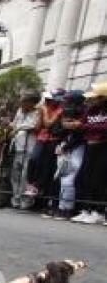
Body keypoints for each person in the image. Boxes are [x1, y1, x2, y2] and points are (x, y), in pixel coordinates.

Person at [25, 89, 65, 215]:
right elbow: (39, 127)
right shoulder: (44, 108)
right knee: (33, 160)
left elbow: (48, 124)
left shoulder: (60, 110)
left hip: (53, 141)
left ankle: (42, 201)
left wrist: (43, 112)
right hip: (42, 139)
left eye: (50, 99)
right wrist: (39, 115)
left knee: (47, 169)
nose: (47, 101)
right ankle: (32, 185)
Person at [72, 82, 107, 224]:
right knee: (84, 178)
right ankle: (86, 209)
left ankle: (98, 211)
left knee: (100, 180)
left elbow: (104, 127)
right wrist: (79, 125)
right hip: (90, 146)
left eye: (96, 97)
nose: (93, 100)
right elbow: (83, 123)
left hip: (104, 147)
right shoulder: (91, 110)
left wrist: (84, 126)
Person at [54, 91, 87, 221]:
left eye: (68, 101)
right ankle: (62, 207)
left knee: (70, 178)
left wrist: (74, 126)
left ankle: (68, 208)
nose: (65, 103)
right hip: (64, 146)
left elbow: (81, 135)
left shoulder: (83, 113)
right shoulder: (64, 112)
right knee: (63, 177)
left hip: (77, 148)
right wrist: (66, 126)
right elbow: (56, 130)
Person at [10, 90, 41, 209]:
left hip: (30, 146)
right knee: (15, 174)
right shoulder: (19, 111)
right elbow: (14, 124)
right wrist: (11, 126)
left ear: (32, 102)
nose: (21, 104)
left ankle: (25, 199)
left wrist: (19, 128)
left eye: (24, 101)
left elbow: (34, 126)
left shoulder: (37, 112)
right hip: (18, 145)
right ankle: (15, 197)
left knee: (25, 175)